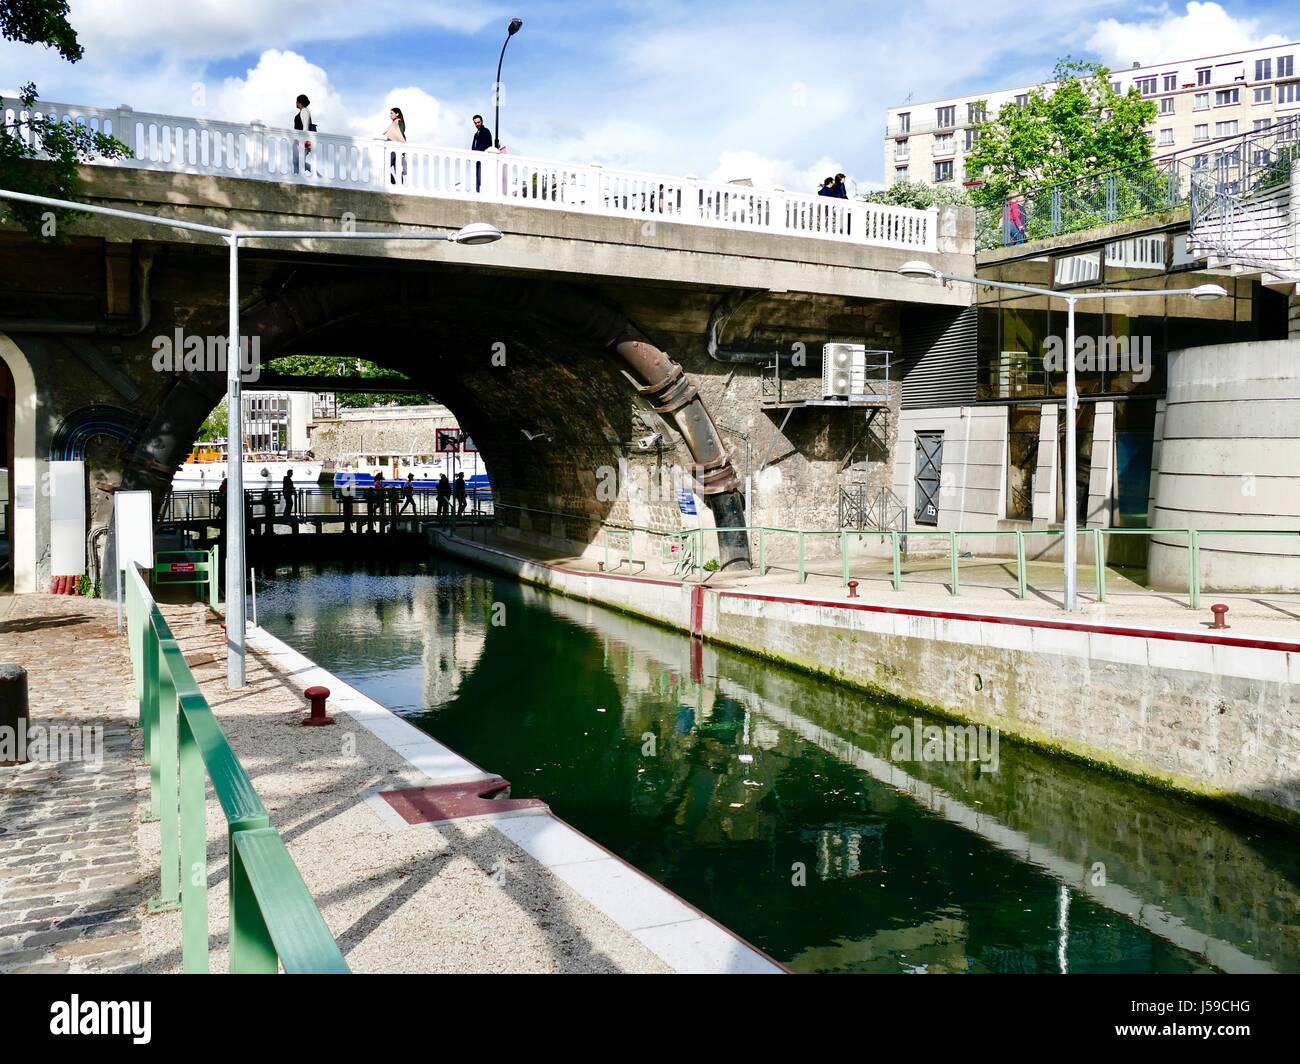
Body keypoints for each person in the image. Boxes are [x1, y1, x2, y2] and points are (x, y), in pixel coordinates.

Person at [293, 94, 315, 175]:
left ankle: (315, 173)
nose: (296, 103)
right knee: (296, 161)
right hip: (297, 141)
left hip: (302, 141)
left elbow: (305, 127)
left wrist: (303, 141)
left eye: (297, 101)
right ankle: (296, 175)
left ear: (300, 102)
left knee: (300, 161)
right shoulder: (302, 111)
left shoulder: (305, 111)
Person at [384, 107, 406, 186]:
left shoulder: (399, 122)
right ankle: (393, 182)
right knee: (387, 167)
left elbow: (400, 134)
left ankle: (398, 185)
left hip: (396, 149)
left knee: (387, 167)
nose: (390, 115)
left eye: (392, 113)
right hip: (393, 149)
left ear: (397, 114)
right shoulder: (393, 123)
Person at [471, 114, 492, 192]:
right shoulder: (476, 134)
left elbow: (482, 145)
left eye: (478, 122)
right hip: (477, 160)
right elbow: (473, 147)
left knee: (481, 178)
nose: (477, 124)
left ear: (482, 122)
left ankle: (480, 192)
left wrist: (476, 154)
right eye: (475, 123)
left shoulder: (486, 131)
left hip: (483, 159)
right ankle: (477, 192)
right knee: (477, 178)